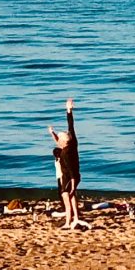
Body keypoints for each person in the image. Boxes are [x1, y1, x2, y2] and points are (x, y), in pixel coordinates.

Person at [47, 98, 85, 229]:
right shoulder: (72, 143)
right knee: (72, 197)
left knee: (66, 198)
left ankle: (68, 222)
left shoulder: (65, 154)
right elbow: (71, 126)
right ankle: (76, 218)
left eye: (59, 138)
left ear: (64, 142)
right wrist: (69, 110)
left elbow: (71, 170)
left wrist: (73, 185)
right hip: (73, 176)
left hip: (69, 178)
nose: (57, 141)